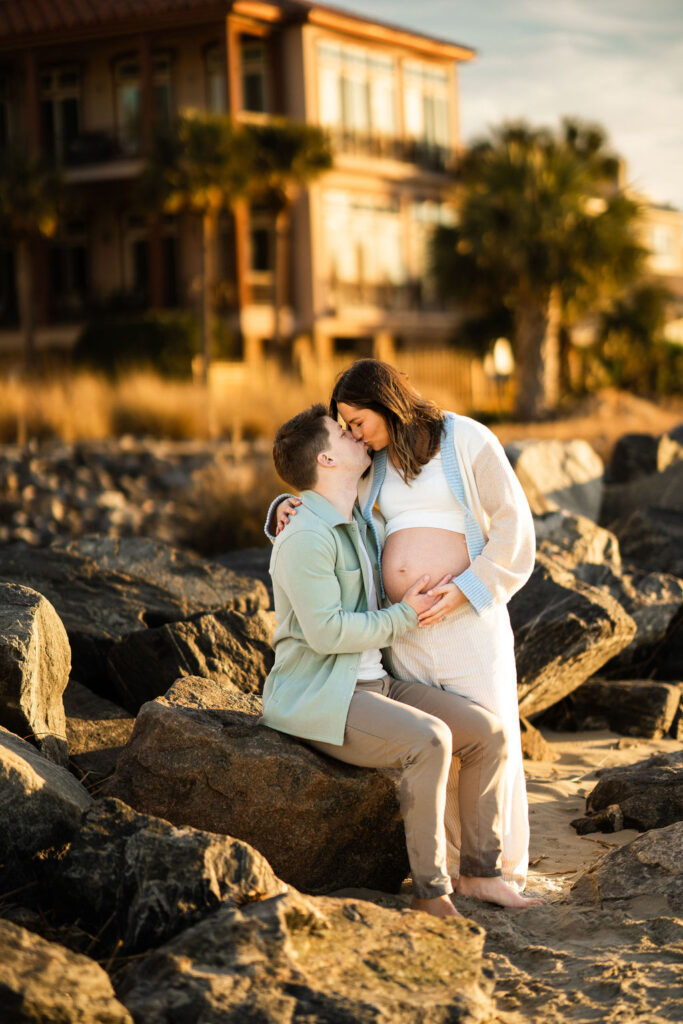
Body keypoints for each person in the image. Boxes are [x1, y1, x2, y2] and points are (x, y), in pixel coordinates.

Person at [262, 402, 540, 917]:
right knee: (430, 741)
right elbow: (326, 635)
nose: (355, 436)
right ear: (325, 460)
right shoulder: (306, 535)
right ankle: (431, 893)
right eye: (342, 433)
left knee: (489, 733)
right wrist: (406, 616)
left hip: (376, 682)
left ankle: (481, 874)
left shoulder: (358, 519)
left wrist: (283, 500)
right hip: (329, 694)